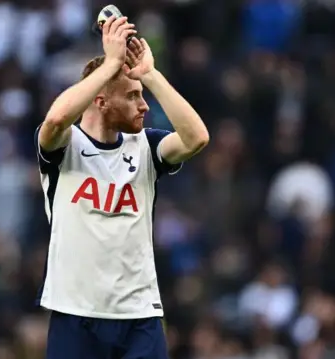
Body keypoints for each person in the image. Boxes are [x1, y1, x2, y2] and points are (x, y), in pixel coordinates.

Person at [35, 15, 209, 359]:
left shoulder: (146, 147)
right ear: (101, 102)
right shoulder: (65, 146)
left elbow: (197, 137)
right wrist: (110, 64)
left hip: (139, 316)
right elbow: (55, 118)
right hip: (76, 312)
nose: (144, 105)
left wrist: (150, 75)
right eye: (132, 96)